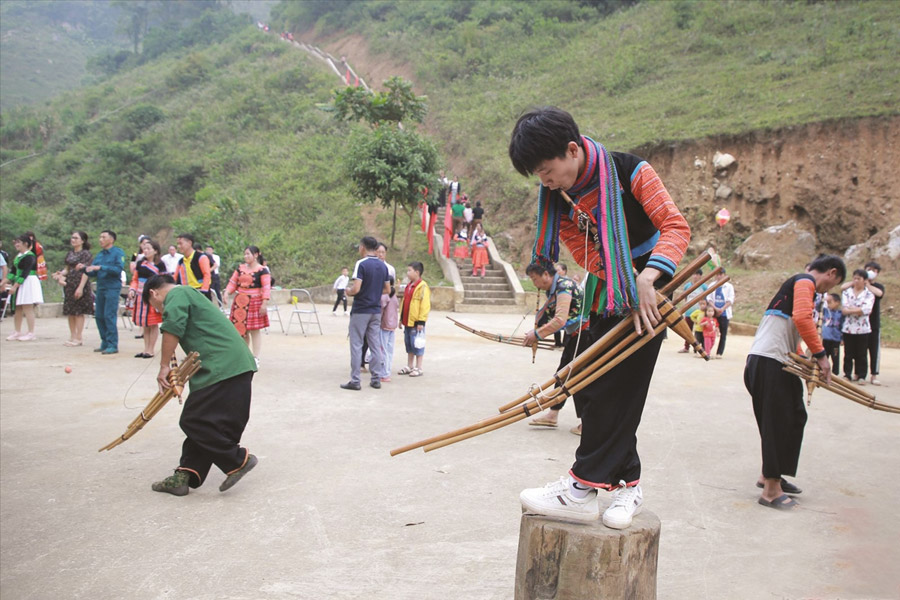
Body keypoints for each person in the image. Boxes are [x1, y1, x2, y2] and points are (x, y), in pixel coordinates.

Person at [509, 107, 690, 529]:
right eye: (537, 174)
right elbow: (582, 249)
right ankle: (628, 488)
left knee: (619, 386)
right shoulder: (558, 196)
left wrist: (647, 277)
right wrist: (624, 280)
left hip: (653, 286)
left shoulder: (630, 171)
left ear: (572, 150)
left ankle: (580, 488)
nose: (545, 182)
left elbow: (676, 227)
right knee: (591, 383)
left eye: (547, 170)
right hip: (613, 290)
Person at [744, 255, 845, 510]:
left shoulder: (801, 286)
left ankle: (771, 474)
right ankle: (770, 491)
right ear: (831, 273)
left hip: (778, 362)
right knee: (776, 422)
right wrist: (822, 358)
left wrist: (804, 359)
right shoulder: (805, 281)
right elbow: (802, 318)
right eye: (833, 284)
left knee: (795, 416)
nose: (828, 290)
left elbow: (791, 326)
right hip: (769, 362)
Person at [142, 274, 258, 496]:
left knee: (193, 420)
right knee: (210, 422)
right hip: (233, 364)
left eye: (155, 306)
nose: (158, 311)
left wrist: (164, 366)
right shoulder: (188, 294)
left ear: (153, 293)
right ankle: (185, 474)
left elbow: (172, 326)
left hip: (222, 365)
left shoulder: (176, 293)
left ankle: (238, 461)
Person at [523, 262, 587, 433]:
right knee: (563, 376)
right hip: (575, 336)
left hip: (584, 336)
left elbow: (560, 319)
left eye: (535, 279)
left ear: (546, 274)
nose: (535, 284)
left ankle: (588, 423)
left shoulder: (564, 287)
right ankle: (553, 414)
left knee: (578, 378)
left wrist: (536, 335)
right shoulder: (556, 288)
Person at [342, 236, 390, 391]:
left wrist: (348, 292)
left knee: (356, 344)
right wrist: (374, 292)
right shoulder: (383, 267)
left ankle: (355, 380)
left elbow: (356, 288)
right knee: (375, 344)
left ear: (362, 247)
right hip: (375, 310)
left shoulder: (361, 264)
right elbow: (387, 289)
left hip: (361, 309)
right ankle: (376, 378)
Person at [223, 246, 271, 367]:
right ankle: (244, 355)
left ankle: (255, 357)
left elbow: (266, 287)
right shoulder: (240, 268)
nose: (246, 257)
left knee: (254, 330)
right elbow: (233, 282)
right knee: (241, 331)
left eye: (248, 254)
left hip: (255, 302)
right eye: (245, 254)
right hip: (240, 302)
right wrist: (226, 293)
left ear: (256, 255)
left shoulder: (262, 270)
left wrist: (264, 303)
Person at [81, 230, 125, 354]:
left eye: (103, 237)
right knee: (99, 316)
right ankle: (104, 342)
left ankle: (112, 344)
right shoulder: (100, 255)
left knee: (109, 316)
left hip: (112, 288)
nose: (100, 239)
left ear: (111, 239)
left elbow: (118, 269)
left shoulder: (118, 253)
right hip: (101, 288)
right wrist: (83, 269)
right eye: (100, 237)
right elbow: (93, 272)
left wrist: (101, 267)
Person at [841, 261, 885, 385]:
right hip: (849, 327)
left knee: (864, 352)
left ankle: (867, 375)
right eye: (854, 278)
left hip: (867, 326)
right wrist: (855, 310)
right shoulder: (848, 291)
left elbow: (866, 309)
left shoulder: (872, 290)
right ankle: (848, 374)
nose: (856, 281)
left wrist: (853, 310)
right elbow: (844, 308)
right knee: (849, 352)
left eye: (858, 278)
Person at [53, 231, 94, 346]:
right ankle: (72, 335)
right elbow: (67, 268)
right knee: (70, 311)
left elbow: (86, 271)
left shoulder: (86, 254)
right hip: (69, 284)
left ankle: (79, 337)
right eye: (72, 238)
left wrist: (80, 287)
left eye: (76, 238)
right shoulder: (70, 253)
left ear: (82, 240)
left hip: (80, 283)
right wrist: (60, 274)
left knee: (79, 312)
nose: (73, 240)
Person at [128, 239, 166, 358]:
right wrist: (132, 289)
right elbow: (135, 279)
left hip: (153, 296)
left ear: (155, 251)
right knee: (145, 324)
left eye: (149, 248)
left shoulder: (160, 265)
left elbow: (164, 282)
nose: (146, 251)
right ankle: (146, 349)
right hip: (141, 296)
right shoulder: (140, 264)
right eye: (144, 248)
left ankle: (151, 350)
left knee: (153, 323)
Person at [4, 234, 44, 341]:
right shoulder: (18, 256)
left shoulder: (30, 256)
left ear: (25, 244)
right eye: (15, 242)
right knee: (18, 308)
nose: (16, 244)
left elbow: (25, 273)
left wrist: (15, 286)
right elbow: (12, 272)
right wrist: (3, 283)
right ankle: (17, 331)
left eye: (18, 242)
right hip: (20, 281)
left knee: (27, 307)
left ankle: (31, 332)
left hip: (28, 282)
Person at [398, 261, 430, 377]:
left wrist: (421, 321)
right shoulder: (409, 286)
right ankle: (409, 365)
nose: (408, 273)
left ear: (417, 272)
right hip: (408, 321)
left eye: (409, 270)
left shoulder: (422, 287)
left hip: (416, 322)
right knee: (409, 344)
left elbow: (425, 305)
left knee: (417, 344)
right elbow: (404, 302)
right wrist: (401, 318)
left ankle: (418, 367)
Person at [173, 234, 212, 300]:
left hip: (200, 292)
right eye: (177, 244)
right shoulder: (181, 261)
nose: (178, 246)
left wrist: (203, 291)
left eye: (180, 243)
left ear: (189, 243)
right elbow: (175, 277)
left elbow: (207, 275)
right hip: (185, 293)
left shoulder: (201, 257)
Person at [705, 269, 734, 358]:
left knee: (723, 333)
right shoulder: (712, 285)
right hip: (712, 312)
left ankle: (719, 353)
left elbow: (730, 299)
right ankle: (706, 350)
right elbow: (709, 298)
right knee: (707, 331)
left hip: (724, 312)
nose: (719, 276)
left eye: (721, 274)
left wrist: (722, 309)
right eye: (717, 274)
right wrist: (715, 308)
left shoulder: (729, 286)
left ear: (724, 275)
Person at [678, 269, 707, 353]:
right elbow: (685, 297)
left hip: (700, 313)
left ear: (700, 276)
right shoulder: (687, 286)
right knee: (687, 330)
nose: (695, 276)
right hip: (689, 312)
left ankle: (700, 347)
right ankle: (686, 347)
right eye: (693, 274)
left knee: (700, 331)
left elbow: (706, 298)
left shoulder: (703, 287)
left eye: (697, 274)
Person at [379, 277, 399, 383]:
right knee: (389, 350)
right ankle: (387, 372)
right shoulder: (394, 296)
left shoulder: (385, 296)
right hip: (392, 325)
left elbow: (381, 310)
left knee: (383, 350)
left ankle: (384, 373)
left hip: (384, 325)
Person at [821, 293, 843, 375]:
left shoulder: (840, 313)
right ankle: (822, 371)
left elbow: (842, 326)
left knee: (835, 356)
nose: (828, 304)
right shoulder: (825, 311)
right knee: (824, 356)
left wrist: (842, 338)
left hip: (835, 340)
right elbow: (817, 306)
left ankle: (835, 373)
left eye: (830, 302)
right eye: (827, 302)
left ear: (837, 302)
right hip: (826, 339)